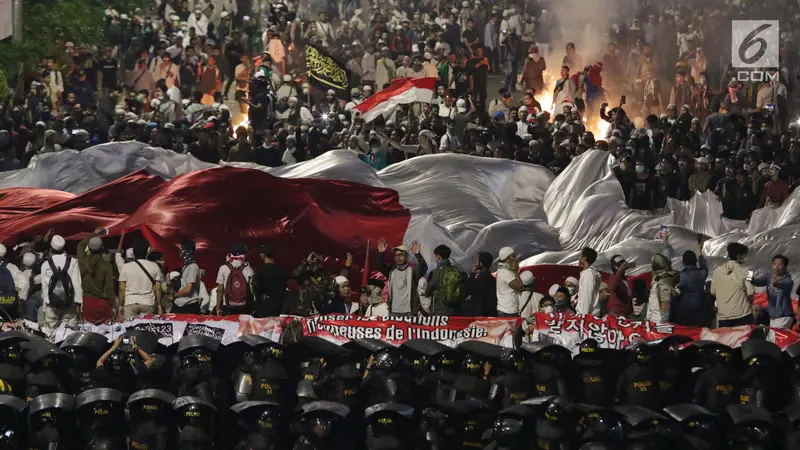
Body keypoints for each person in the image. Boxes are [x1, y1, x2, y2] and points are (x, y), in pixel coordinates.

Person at [375, 238, 427, 317]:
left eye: (401, 255)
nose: (398, 257)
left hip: (410, 311)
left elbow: (424, 268)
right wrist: (381, 254)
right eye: (396, 255)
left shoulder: (413, 270)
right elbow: (380, 266)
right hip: (394, 311)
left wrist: (418, 255)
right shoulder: (391, 270)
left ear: (406, 256)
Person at [40, 235, 82, 327]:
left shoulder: (46, 264)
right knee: (68, 333)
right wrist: (79, 303)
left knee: (50, 334)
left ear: (51, 248)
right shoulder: (73, 261)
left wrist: (44, 307)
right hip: (69, 304)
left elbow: (44, 286)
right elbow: (76, 283)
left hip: (52, 306)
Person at [711, 243, 755, 327]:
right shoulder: (747, 271)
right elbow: (751, 291)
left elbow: (712, 291)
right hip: (743, 314)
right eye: (744, 256)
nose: (745, 259)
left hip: (723, 317)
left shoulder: (717, 271)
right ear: (739, 256)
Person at [77, 229, 115, 324]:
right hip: (103, 304)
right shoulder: (106, 266)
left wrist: (94, 232)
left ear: (89, 248)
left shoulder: (82, 261)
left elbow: (81, 245)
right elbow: (109, 288)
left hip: (87, 303)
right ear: (102, 249)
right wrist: (113, 305)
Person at [119, 238, 163, 318]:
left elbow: (122, 289)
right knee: (146, 329)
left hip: (130, 302)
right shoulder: (154, 266)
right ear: (147, 251)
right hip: (148, 302)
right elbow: (158, 288)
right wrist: (159, 305)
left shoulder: (125, 267)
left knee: (129, 329)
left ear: (134, 252)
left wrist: (120, 305)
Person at [751, 254, 795, 329]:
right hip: (772, 314)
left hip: (783, 317)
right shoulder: (768, 276)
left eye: (780, 264)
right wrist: (747, 273)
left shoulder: (787, 280)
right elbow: (756, 282)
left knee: (772, 338)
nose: (776, 267)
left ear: (785, 267)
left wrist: (776, 283)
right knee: (755, 308)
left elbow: (782, 284)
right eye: (774, 264)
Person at [673, 248, 710, 327]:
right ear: (696, 261)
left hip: (684, 308)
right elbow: (704, 265)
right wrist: (700, 253)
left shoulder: (681, 276)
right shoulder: (702, 274)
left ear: (683, 262)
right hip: (699, 307)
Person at [215, 243, 254, 316]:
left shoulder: (223, 268)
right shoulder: (249, 270)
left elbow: (220, 290)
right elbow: (252, 291)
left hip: (227, 305)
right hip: (244, 307)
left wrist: (218, 307)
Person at [424, 245, 463, 316]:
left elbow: (428, 291)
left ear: (438, 256)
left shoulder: (435, 272)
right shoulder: (456, 269)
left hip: (440, 310)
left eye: (435, 256)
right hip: (455, 310)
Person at [252, 244, 288, 317]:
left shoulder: (259, 271)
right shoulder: (282, 270)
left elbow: (256, 289)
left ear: (263, 256)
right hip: (280, 306)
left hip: (264, 307)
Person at [170, 239, 202, 314]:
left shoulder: (193, 267)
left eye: (183, 249)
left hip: (188, 306)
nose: (181, 252)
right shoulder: (186, 266)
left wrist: (174, 295)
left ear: (189, 251)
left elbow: (188, 289)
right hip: (180, 304)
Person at [646, 253, 678, 324]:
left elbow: (665, 303)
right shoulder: (658, 278)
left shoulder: (664, 281)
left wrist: (664, 323)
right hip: (652, 318)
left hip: (658, 321)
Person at [495, 246, 525, 317]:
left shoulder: (506, 271)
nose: (515, 259)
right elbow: (520, 287)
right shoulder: (504, 272)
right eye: (513, 256)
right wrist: (515, 271)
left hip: (509, 309)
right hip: (508, 310)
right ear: (507, 259)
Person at [464, 251, 496, 316]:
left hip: (480, 313)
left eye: (477, 261)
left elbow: (468, 289)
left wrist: (472, 273)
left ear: (481, 263)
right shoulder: (492, 278)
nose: (475, 263)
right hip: (489, 312)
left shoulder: (481, 278)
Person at [576, 247, 601, 316]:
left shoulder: (588, 274)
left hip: (586, 316)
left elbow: (587, 295)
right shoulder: (590, 273)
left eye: (580, 255)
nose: (579, 257)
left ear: (585, 257)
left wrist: (583, 316)